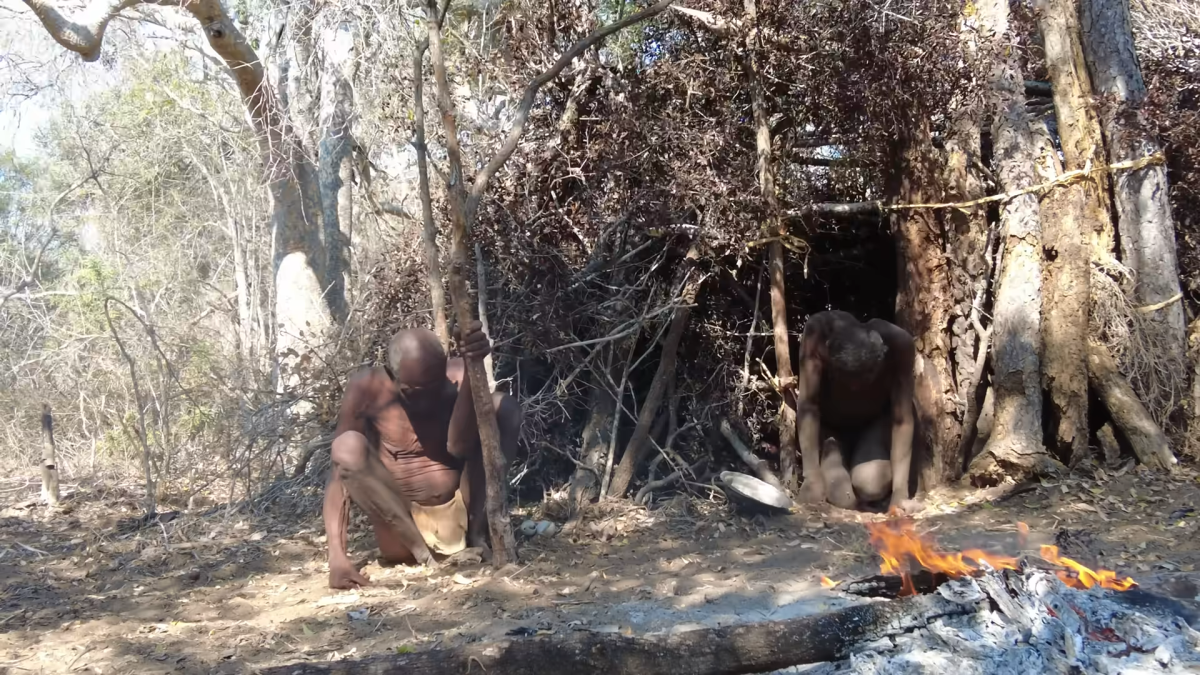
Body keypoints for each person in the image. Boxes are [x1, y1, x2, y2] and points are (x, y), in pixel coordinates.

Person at [322, 321, 522, 589]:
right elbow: (339, 473)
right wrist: (337, 556)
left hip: (463, 514)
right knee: (345, 445)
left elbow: (459, 446)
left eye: (435, 388)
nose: (427, 401)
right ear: (392, 377)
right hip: (402, 532)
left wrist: (471, 361)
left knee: (504, 407)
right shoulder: (367, 388)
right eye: (415, 393)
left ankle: (478, 535)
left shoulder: (459, 374)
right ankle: (423, 554)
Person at [786, 310, 921, 513]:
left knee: (871, 486)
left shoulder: (899, 344)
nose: (855, 388)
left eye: (863, 379)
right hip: (831, 429)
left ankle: (862, 457)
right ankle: (832, 450)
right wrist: (811, 476)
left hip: (873, 426)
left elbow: (902, 419)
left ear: (880, 359)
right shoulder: (817, 335)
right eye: (847, 380)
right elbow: (808, 405)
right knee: (842, 499)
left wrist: (900, 493)